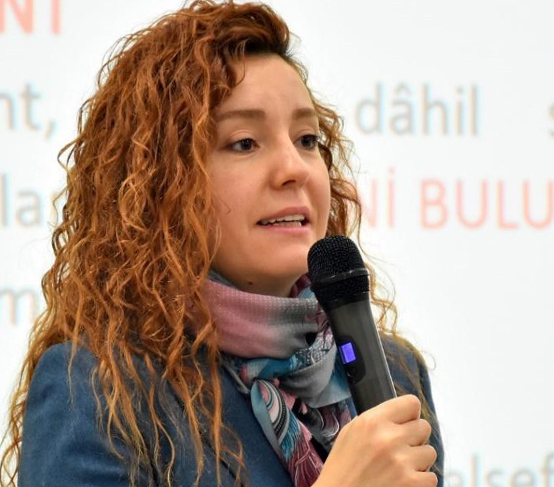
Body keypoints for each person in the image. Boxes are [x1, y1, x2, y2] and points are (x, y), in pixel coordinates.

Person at [0, 2, 443, 487]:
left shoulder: (397, 374)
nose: (294, 168)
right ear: (164, 185)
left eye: (307, 139)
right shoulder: (98, 388)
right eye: (245, 142)